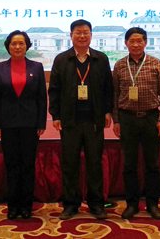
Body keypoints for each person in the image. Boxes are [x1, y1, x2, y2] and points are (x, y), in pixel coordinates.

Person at [48, 19, 114, 220]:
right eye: (78, 32)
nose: (82, 36)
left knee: (95, 163)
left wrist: (107, 111)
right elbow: (54, 90)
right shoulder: (62, 59)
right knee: (70, 164)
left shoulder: (101, 59)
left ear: (91, 35)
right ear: (71, 36)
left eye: (86, 32)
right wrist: (56, 115)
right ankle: (70, 204)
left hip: (94, 120)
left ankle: (96, 204)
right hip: (70, 121)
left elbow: (108, 88)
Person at [112, 27, 160, 220]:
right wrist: (117, 120)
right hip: (127, 119)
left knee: (152, 165)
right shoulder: (120, 65)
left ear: (145, 43)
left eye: (139, 41)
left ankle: (153, 204)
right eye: (132, 41)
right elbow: (114, 95)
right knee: (129, 164)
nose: (136, 45)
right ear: (126, 43)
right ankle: (132, 204)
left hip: (150, 118)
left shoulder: (155, 63)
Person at [0, 31, 47, 220]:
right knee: (12, 165)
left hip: (31, 124)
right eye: (14, 43)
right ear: (8, 46)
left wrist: (41, 122)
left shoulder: (37, 67)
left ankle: (26, 206)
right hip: (8, 124)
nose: (17, 47)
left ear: (27, 46)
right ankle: (13, 206)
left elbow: (41, 98)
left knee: (28, 165)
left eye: (21, 43)